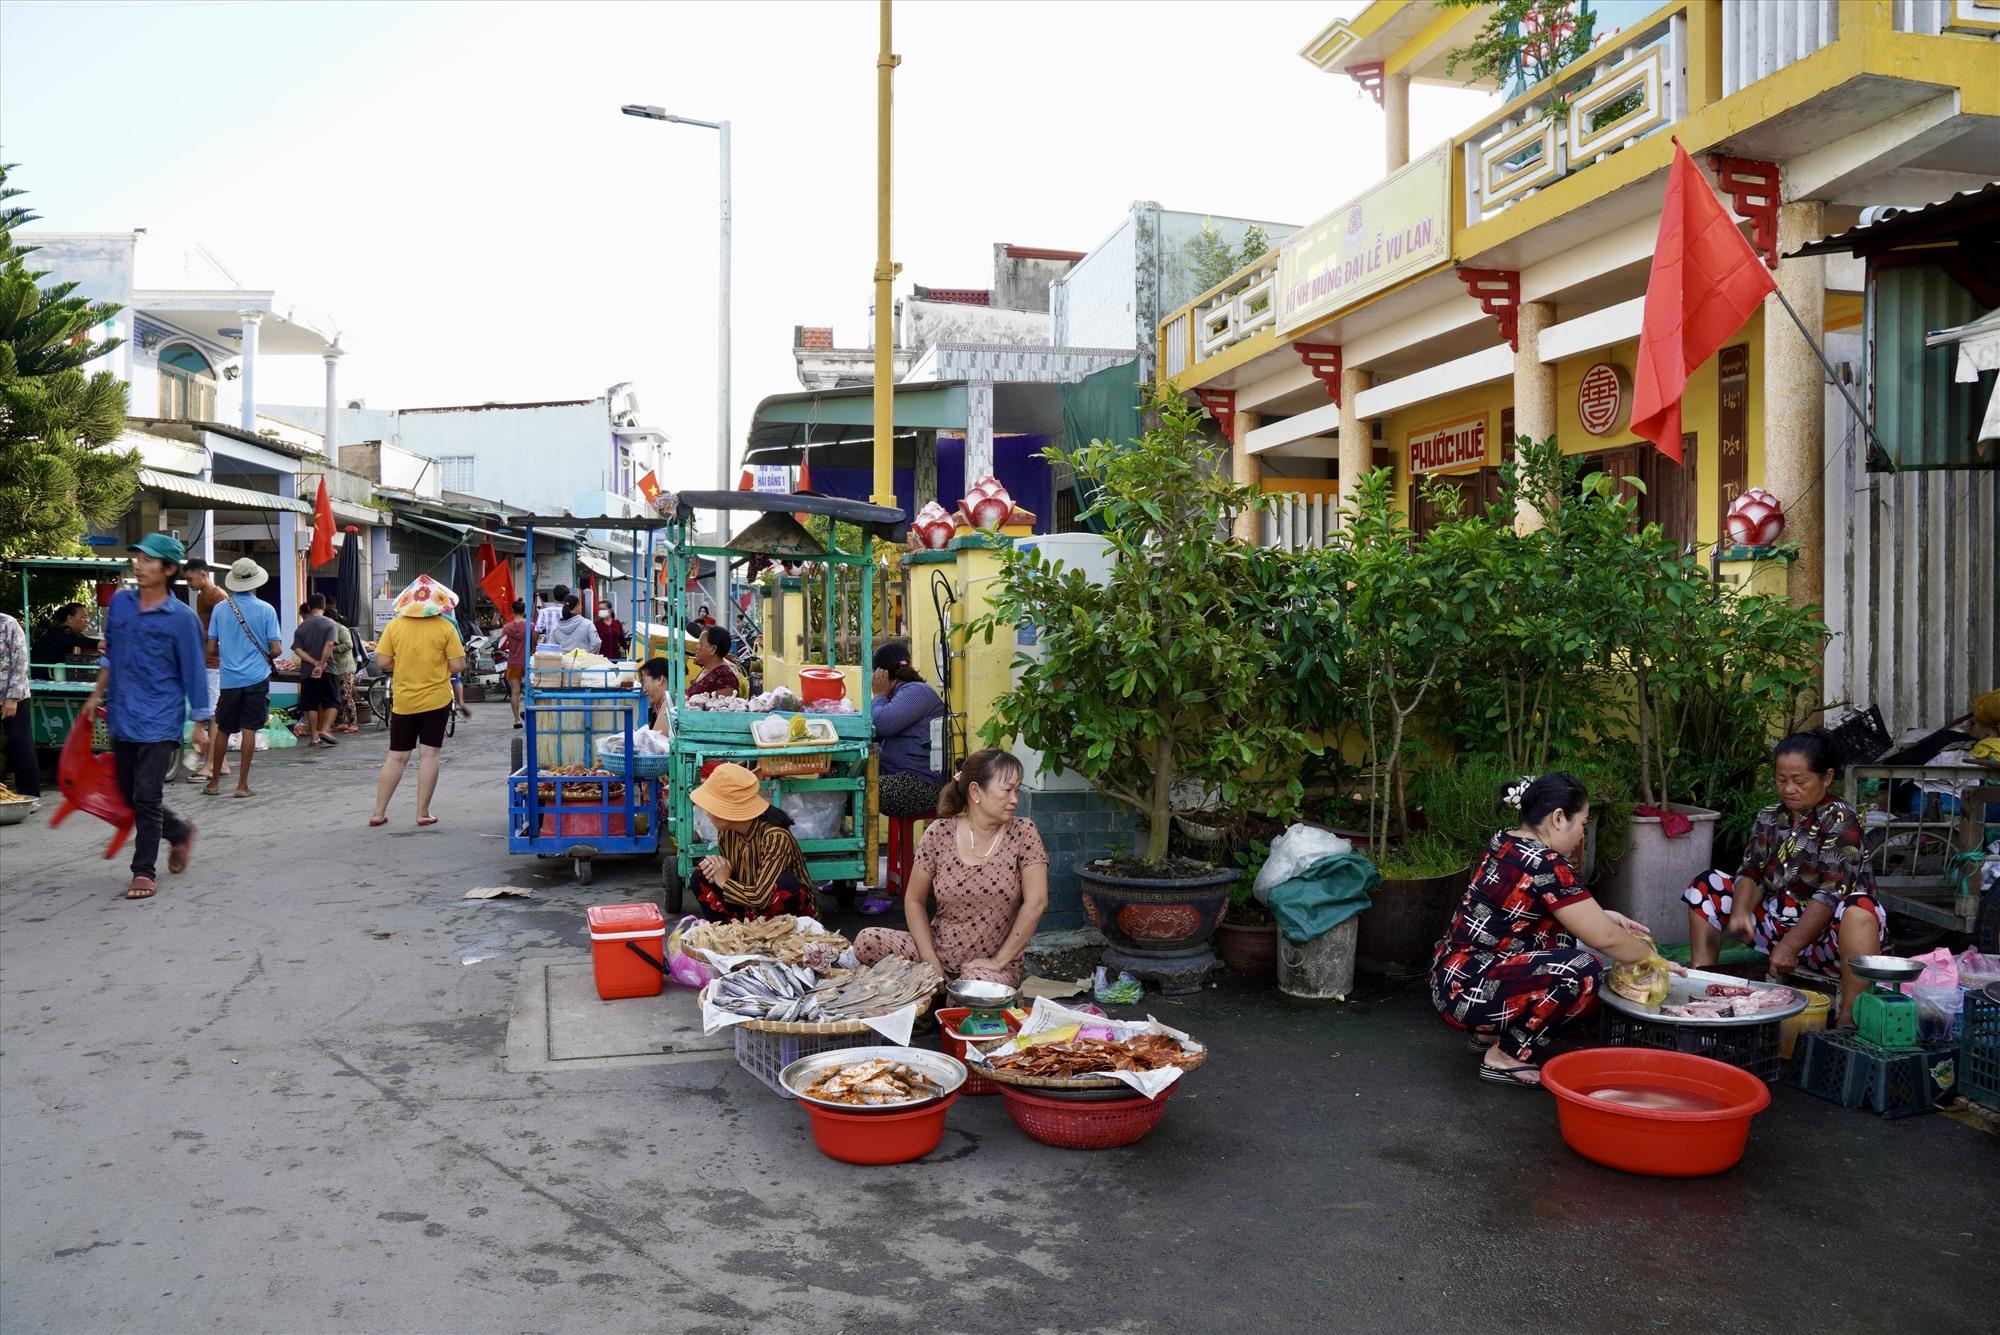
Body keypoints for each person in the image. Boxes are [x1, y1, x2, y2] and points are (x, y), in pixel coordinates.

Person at [1431, 772, 1662, 1089]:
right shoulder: (1545, 862)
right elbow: (1604, 939)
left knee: (1562, 937)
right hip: (1468, 991)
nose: (1582, 834)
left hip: (1453, 979)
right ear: (1557, 818)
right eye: (1582, 823)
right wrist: (1652, 959)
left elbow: (1527, 907)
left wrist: (1604, 915)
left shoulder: (1507, 841)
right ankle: (1505, 1056)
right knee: (1582, 970)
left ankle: (1487, 1032)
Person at [1684, 729, 1885, 1025]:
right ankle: (1703, 992)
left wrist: (1790, 946)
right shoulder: (1769, 817)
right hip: (1777, 925)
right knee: (1706, 886)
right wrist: (1739, 913)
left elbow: (1830, 895)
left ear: (1826, 778)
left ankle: (1849, 1018)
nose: (1789, 789)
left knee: (1859, 911)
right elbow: (1751, 871)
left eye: (1799, 780)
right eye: (1781, 780)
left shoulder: (1841, 820)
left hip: (1828, 940)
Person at [81, 533, 210, 900]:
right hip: (122, 714)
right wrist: (95, 694)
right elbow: (110, 651)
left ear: (169, 569)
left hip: (160, 719)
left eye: (148, 560)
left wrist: (199, 724)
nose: (138, 564)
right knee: (127, 792)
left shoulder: (182, 619)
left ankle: (142, 871)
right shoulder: (120, 604)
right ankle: (180, 831)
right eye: (137, 557)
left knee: (147, 796)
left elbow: (194, 673)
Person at [854, 748, 1050, 987]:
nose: (1014, 800)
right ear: (976, 791)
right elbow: (914, 900)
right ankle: (937, 991)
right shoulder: (939, 833)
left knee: (974, 985)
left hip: (989, 968)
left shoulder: (1023, 832)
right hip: (937, 953)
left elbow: (1037, 902)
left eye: (1017, 791)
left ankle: (935, 998)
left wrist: (999, 962)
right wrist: (929, 960)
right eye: (1007, 790)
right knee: (867, 941)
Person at [368, 574, 468, 829]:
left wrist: (400, 664)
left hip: (404, 700)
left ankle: (378, 812)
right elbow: (458, 665)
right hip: (436, 699)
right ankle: (422, 813)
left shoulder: (395, 626)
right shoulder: (446, 627)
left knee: (396, 757)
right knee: (429, 755)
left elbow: (381, 662)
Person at [862, 639, 949, 915]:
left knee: (861, 791)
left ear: (882, 674)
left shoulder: (917, 692)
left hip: (919, 785)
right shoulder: (900, 694)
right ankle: (851, 878)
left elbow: (883, 723)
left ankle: (862, 877)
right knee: (851, 787)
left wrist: (877, 696)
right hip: (900, 778)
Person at [686, 762, 816, 920]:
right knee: (702, 875)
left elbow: (761, 896)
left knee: (784, 885)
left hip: (781, 913)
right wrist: (717, 867)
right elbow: (731, 875)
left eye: (712, 806)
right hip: (749, 907)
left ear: (729, 810)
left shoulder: (775, 837)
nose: (707, 812)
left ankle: (775, 939)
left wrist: (724, 882)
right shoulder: (726, 834)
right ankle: (728, 935)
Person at [203, 560, 286, 799]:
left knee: (224, 729)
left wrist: (229, 653)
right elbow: (277, 649)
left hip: (229, 679)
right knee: (249, 729)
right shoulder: (267, 609)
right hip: (256, 678)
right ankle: (242, 786)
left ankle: (215, 783)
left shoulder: (220, 609)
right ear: (254, 582)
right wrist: (260, 656)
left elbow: (210, 649)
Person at [183, 559, 230, 784]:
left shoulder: (218, 597)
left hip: (215, 663)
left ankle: (211, 764)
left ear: (203, 574)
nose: (188, 582)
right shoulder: (202, 596)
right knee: (212, 712)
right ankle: (223, 763)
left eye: (190, 578)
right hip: (206, 660)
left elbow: (226, 632)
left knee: (213, 715)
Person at [291, 593, 341, 747]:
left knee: (310, 704)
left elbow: (298, 650)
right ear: (324, 606)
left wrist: (313, 663)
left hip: (307, 671)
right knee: (333, 701)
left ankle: (314, 736)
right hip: (328, 669)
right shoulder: (330, 624)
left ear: (309, 607)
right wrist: (321, 664)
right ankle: (325, 729)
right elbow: (329, 645)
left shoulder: (301, 626)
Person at [1, 611, 38, 800]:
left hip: (13, 696)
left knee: (20, 744)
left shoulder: (9, 624)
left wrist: (12, 698)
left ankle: (30, 796)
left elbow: (20, 662)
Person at [30, 602, 101, 679]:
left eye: (87, 617)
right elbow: (89, 642)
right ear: (70, 618)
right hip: (48, 681)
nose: (87, 621)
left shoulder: (58, 631)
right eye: (83, 617)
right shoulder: (65, 632)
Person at [327, 608, 363, 734]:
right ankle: (342, 722)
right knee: (338, 696)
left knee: (346, 695)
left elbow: (349, 645)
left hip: (345, 668)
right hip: (335, 667)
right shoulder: (331, 629)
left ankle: (353, 723)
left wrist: (333, 649)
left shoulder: (341, 629)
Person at [688, 625, 743, 699]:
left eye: (700, 643)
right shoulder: (707, 669)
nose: (696, 647)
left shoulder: (725, 678)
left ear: (713, 649)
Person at [498, 598, 528, 728]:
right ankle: (529, 714)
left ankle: (516, 720)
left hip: (513, 662)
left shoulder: (507, 627)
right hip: (528, 662)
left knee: (515, 692)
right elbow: (534, 642)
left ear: (512, 611)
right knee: (530, 690)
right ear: (524, 611)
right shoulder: (530, 626)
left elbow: (500, 645)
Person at [531, 584, 570, 652]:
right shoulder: (571, 612)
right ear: (567, 597)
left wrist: (532, 647)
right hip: (568, 651)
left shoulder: (544, 612)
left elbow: (537, 631)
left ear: (553, 596)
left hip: (550, 651)